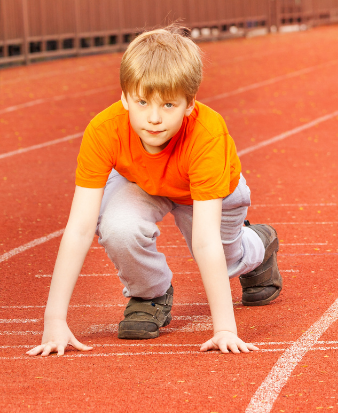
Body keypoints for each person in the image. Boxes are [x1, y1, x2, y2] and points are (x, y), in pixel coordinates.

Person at [28, 26, 282, 357]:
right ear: (124, 97)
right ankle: (150, 295)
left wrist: (224, 329)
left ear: (190, 104)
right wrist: (54, 319)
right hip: (143, 183)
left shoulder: (207, 136)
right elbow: (79, 228)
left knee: (227, 260)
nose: (153, 118)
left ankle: (258, 246)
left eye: (168, 105)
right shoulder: (104, 130)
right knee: (119, 227)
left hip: (207, 191)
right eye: (142, 102)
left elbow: (205, 241)